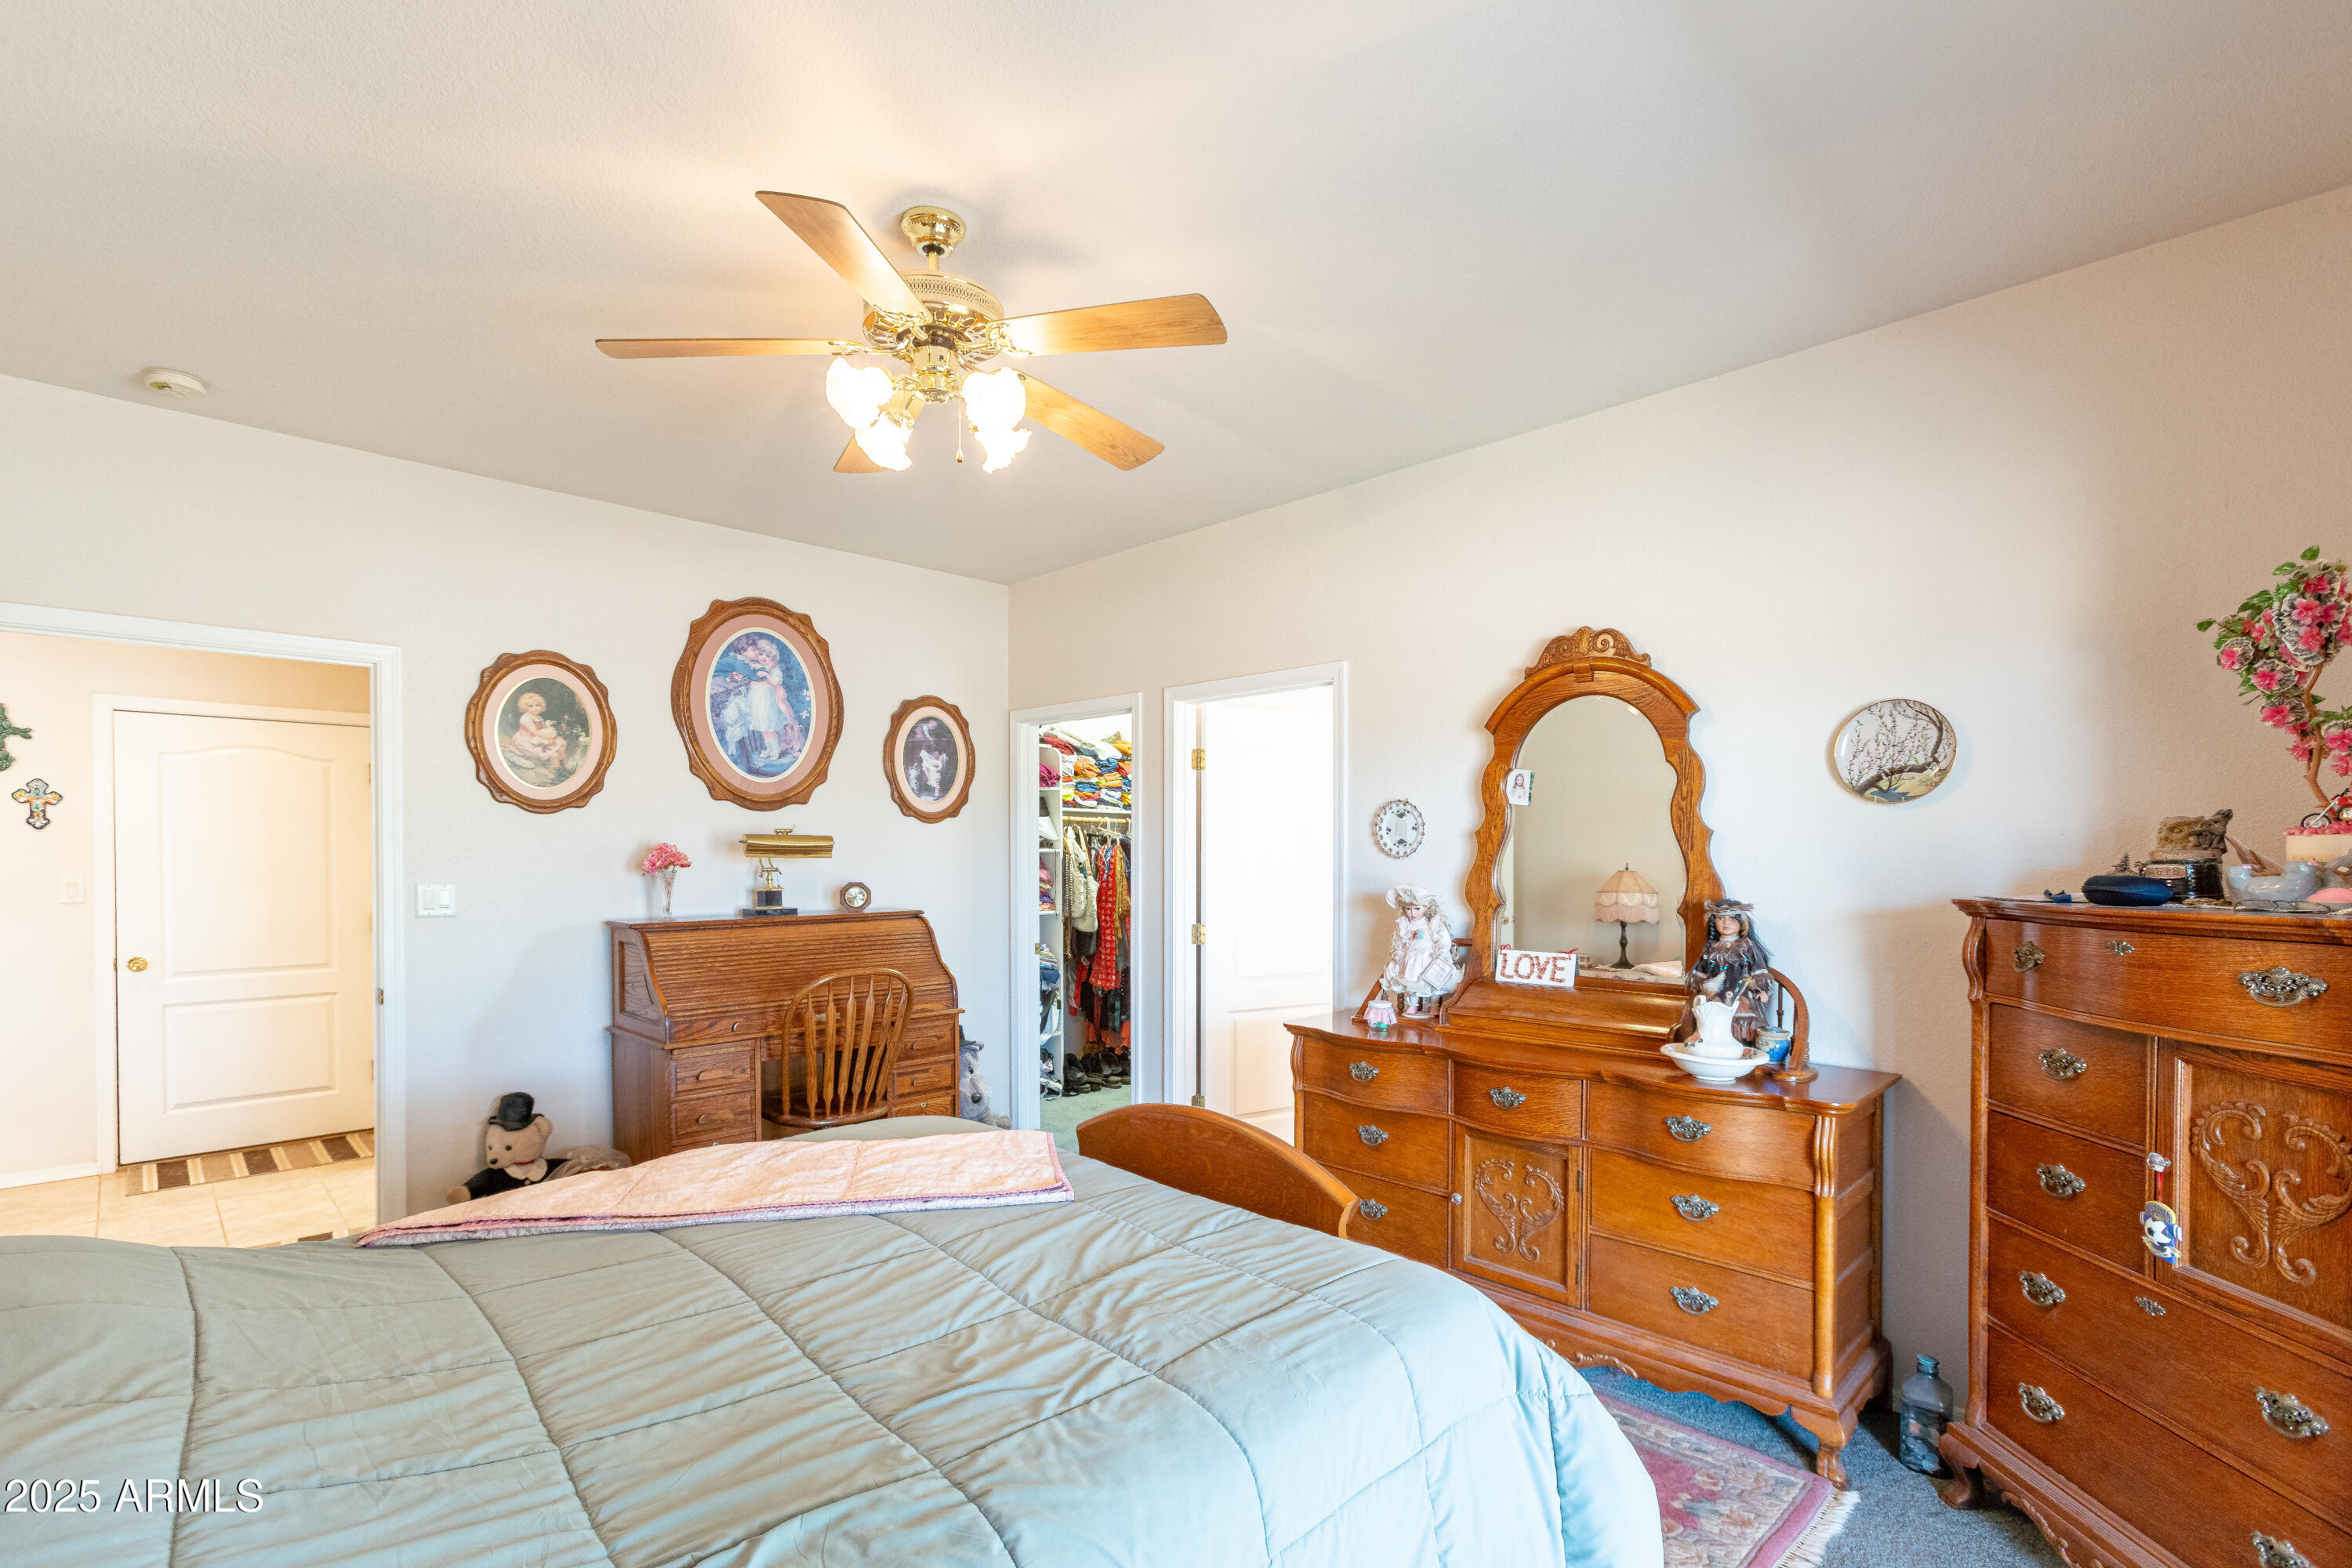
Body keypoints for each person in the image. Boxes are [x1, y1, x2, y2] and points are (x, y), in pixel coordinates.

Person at [1686, 900, 1774, 1043]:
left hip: (1741, 990)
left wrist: (1760, 990)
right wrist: (1702, 987)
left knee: (1741, 1012)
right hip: (1716, 991)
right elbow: (1701, 971)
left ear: (1742, 923)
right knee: (1709, 1011)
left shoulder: (1747, 946)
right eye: (1720, 918)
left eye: (1732, 918)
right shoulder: (1712, 948)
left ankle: (1740, 1045)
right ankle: (1712, 1043)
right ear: (1714, 921)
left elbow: (1758, 971)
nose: (1726, 923)